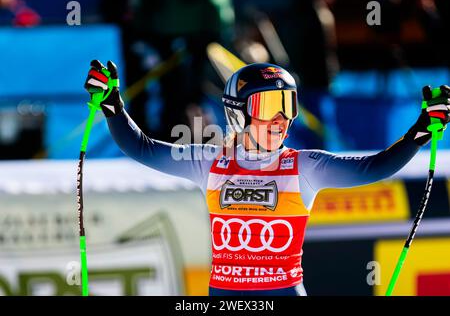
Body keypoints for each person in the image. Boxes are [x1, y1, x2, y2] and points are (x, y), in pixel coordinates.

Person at [84, 60, 450, 296]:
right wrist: (113, 105)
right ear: (238, 115)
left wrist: (420, 129)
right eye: (268, 108)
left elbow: (375, 167)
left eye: (287, 106)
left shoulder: (305, 166)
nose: (281, 119)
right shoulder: (210, 162)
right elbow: (143, 148)